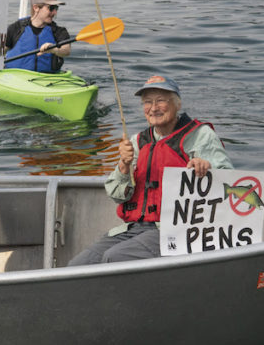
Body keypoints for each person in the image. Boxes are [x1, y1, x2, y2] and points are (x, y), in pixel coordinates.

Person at [68, 75, 231, 265]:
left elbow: (229, 183)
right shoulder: (137, 142)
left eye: (161, 100)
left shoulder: (201, 136)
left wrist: (207, 167)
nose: (154, 108)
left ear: (177, 104)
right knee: (79, 264)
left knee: (116, 257)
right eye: (147, 102)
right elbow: (116, 196)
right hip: (134, 227)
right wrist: (124, 165)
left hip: (179, 229)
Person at [3, 0, 71, 73]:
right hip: (15, 76)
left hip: (47, 78)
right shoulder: (16, 28)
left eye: (56, 8)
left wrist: (54, 50)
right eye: (51, 8)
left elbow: (66, 50)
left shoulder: (59, 31)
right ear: (36, 8)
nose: (54, 12)